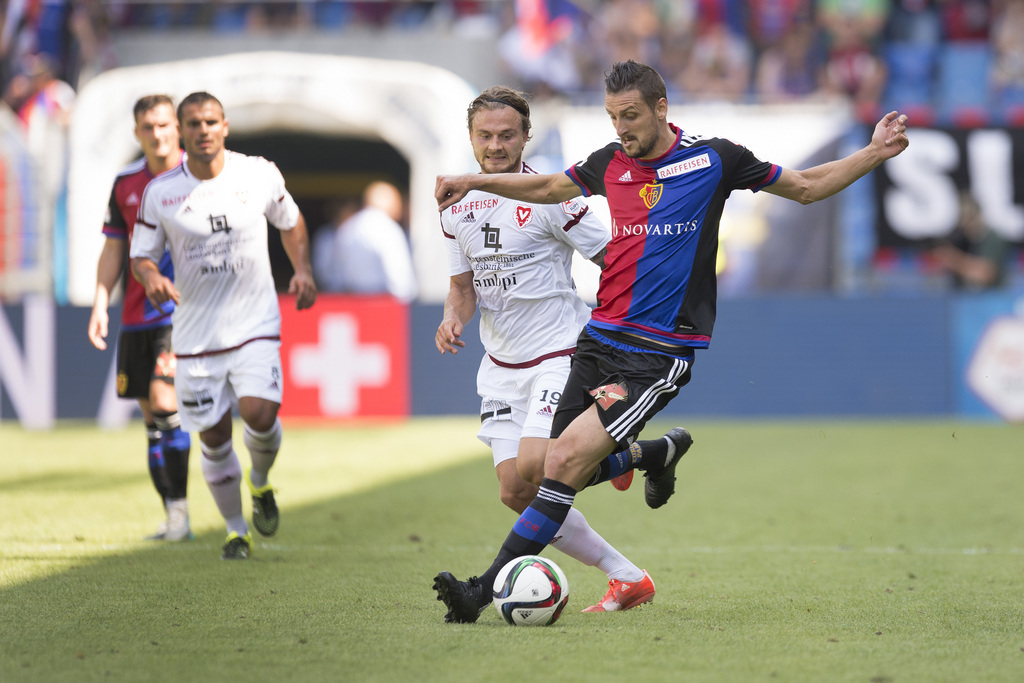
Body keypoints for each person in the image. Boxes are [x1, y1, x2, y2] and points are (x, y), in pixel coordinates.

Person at [432, 59, 910, 623]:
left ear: (661, 108)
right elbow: (546, 185)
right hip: (597, 339)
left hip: (654, 353)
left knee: (558, 463)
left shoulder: (714, 159)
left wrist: (875, 151)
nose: (621, 129)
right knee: (544, 475)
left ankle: (481, 593)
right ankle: (656, 453)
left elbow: (805, 188)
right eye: (613, 117)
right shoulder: (610, 161)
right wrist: (472, 181)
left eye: (630, 116)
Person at [436, 86, 690, 615]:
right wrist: (450, 319)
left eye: (507, 135)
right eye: (485, 135)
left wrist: (628, 330)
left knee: (538, 466)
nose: (496, 145)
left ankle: (632, 455)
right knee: (514, 490)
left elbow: (614, 260)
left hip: (560, 353)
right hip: (500, 365)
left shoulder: (553, 197)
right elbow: (463, 287)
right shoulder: (454, 206)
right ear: (471, 138)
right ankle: (628, 570)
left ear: (527, 136)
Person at [130, 91, 317, 560]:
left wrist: (302, 269)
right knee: (212, 437)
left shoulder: (257, 173)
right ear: (181, 131)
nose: (203, 130)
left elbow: (291, 222)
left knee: (259, 414)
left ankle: (259, 481)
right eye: (193, 123)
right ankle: (236, 531)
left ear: (225, 126)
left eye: (211, 121)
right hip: (195, 334)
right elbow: (141, 256)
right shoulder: (162, 192)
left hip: (254, 321)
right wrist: (151, 277)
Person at [87, 94, 192, 542]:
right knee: (151, 419)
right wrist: (98, 301)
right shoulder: (126, 183)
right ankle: (173, 516)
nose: (158, 134)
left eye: (165, 125)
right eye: (148, 127)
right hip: (135, 315)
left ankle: (183, 513)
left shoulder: (202, 175)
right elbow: (114, 247)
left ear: (178, 128)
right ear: (137, 133)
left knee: (165, 401)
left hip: (184, 313)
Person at [327, 181, 418, 302]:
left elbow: (334, 275)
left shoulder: (347, 227)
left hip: (350, 303)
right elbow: (400, 280)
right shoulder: (387, 227)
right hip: (382, 304)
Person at [930, 191, 1009, 291]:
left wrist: (952, 258)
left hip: (993, 299)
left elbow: (985, 274)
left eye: (968, 217)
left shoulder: (992, 238)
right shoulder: (961, 239)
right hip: (964, 298)